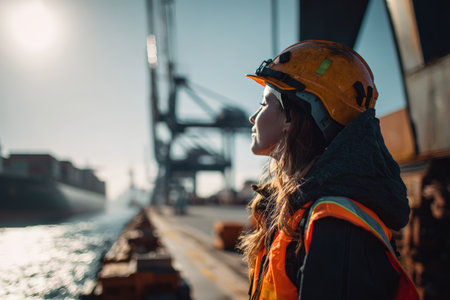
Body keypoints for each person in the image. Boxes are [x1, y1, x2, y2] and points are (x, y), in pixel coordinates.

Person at [239, 40, 419, 300]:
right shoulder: (294, 210)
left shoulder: (335, 225)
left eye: (264, 103)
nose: (253, 117)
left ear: (291, 118)